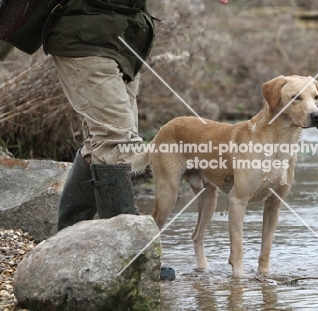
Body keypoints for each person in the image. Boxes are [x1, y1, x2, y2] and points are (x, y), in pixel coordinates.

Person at [47, 0, 228, 231]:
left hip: (121, 42)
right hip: (87, 41)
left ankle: (69, 232)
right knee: (117, 142)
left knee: (103, 143)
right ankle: (129, 249)